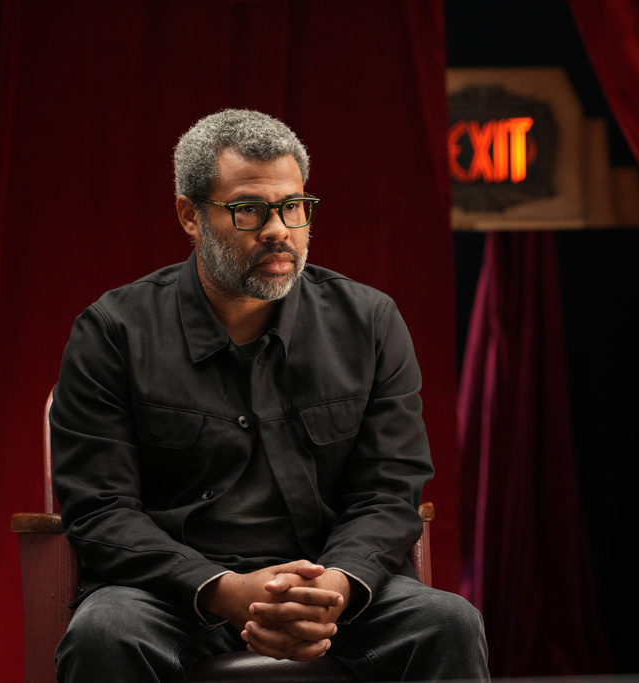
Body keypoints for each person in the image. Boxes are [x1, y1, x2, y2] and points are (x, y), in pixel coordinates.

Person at [51, 109, 489, 682]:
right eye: (249, 209)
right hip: (170, 596)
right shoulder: (113, 330)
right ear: (190, 215)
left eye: (294, 207)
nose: (279, 228)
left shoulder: (370, 323)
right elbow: (100, 511)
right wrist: (225, 590)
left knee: (448, 621)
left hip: (328, 586)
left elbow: (388, 491)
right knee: (102, 632)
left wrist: (334, 585)